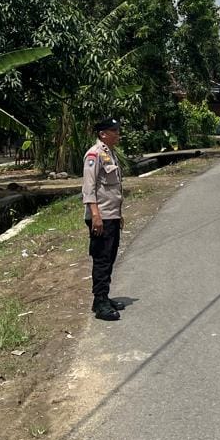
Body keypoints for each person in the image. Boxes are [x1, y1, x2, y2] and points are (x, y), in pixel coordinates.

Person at [83, 118, 127, 322]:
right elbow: (89, 187)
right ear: (103, 134)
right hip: (100, 217)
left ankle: (103, 296)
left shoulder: (110, 154)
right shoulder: (94, 154)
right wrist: (95, 215)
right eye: (114, 131)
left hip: (111, 215)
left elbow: (113, 189)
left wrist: (118, 215)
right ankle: (100, 302)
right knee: (101, 259)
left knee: (109, 258)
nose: (118, 134)